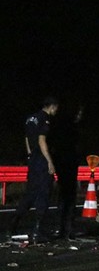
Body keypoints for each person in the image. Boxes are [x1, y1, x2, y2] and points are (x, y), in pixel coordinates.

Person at [8, 96, 60, 244]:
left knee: (30, 193)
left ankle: (13, 225)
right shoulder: (45, 119)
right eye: (56, 108)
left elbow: (26, 138)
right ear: (52, 106)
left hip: (33, 161)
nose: (56, 111)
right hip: (42, 161)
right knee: (43, 194)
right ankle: (38, 231)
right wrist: (50, 161)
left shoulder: (30, 118)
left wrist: (30, 155)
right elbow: (42, 140)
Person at [53, 104, 84, 240]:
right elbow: (75, 147)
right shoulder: (72, 129)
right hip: (68, 165)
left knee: (64, 198)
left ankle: (62, 228)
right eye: (78, 113)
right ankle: (67, 229)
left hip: (62, 165)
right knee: (69, 199)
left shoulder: (60, 128)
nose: (79, 116)